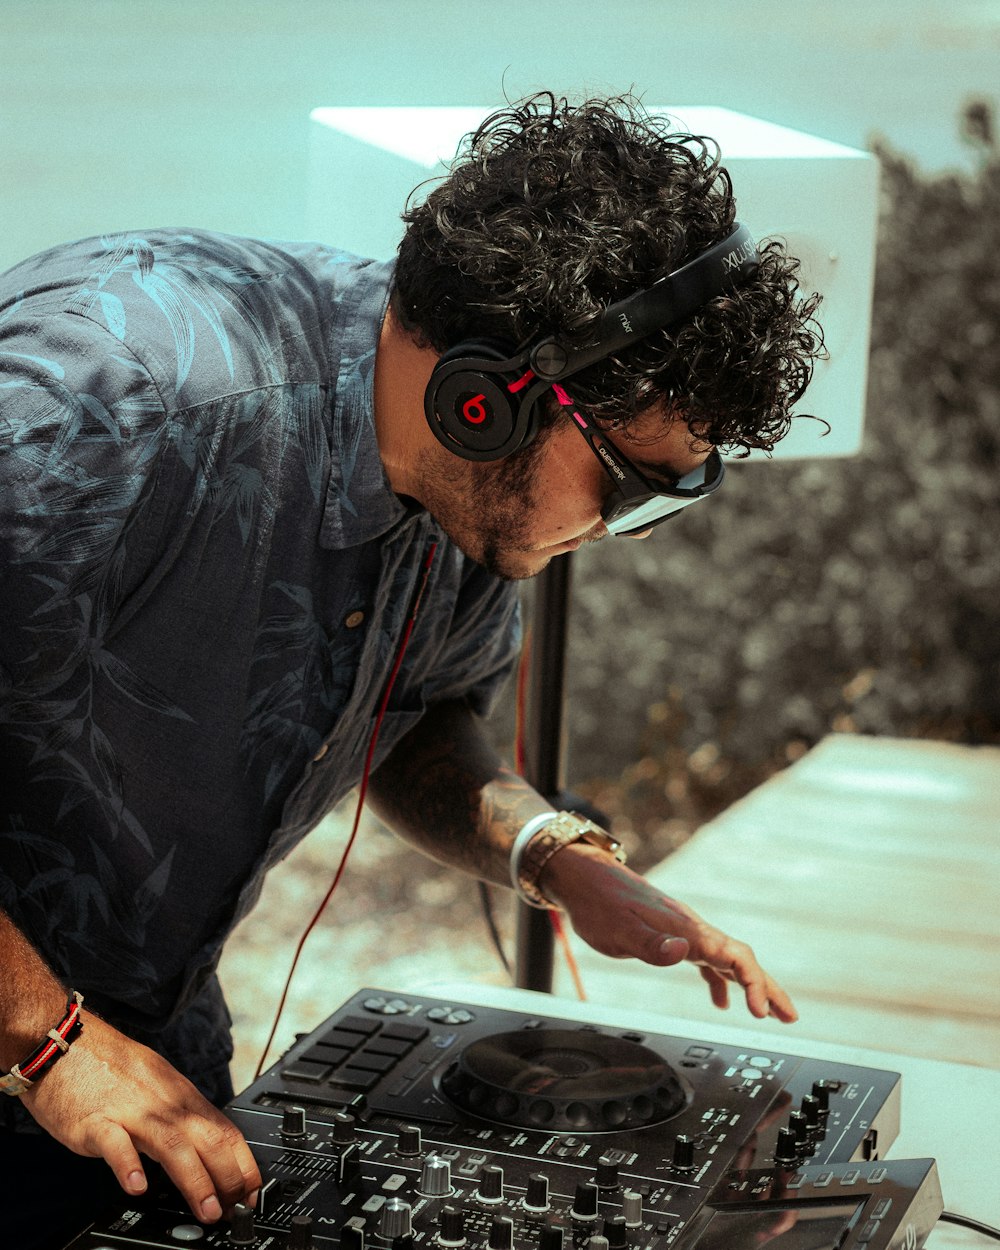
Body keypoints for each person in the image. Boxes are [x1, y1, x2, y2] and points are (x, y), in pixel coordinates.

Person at [0, 92, 823, 1245]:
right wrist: (44, 1037)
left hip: (141, 1066)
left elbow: (414, 718)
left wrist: (553, 857)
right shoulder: (106, 405)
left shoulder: (467, 487)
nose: (622, 530)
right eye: (629, 486)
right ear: (482, 399)